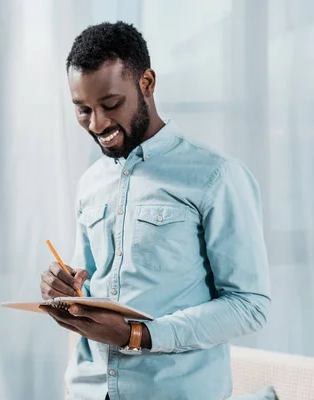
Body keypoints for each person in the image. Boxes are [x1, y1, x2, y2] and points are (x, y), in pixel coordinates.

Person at [40, 21, 270, 400]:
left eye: (110, 105)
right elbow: (89, 281)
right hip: (89, 390)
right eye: (83, 110)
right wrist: (64, 287)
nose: (97, 124)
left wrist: (137, 335)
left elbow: (249, 305)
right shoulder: (91, 181)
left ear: (146, 83)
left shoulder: (216, 176)